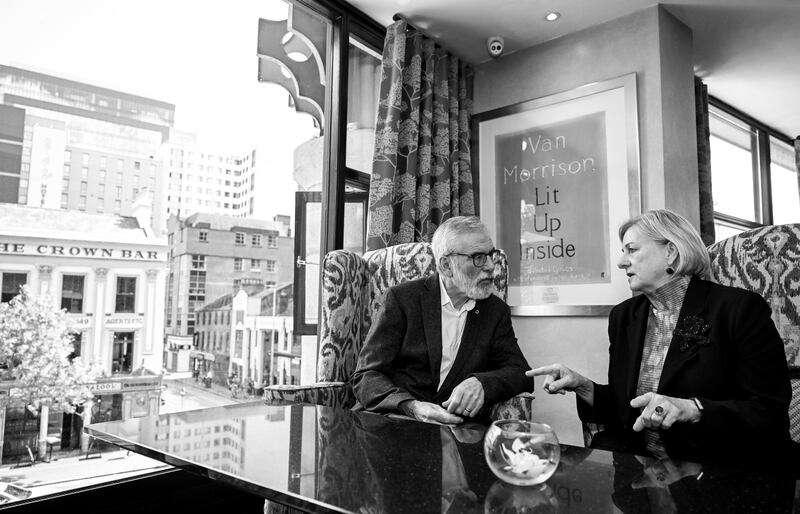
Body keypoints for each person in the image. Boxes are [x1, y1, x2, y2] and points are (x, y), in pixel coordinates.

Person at [528, 209, 791, 467]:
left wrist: (692, 409)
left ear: (671, 253)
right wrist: (584, 386)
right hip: (640, 475)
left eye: (632, 250)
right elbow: (627, 408)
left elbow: (767, 411)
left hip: (719, 470)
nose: (621, 262)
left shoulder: (738, 310)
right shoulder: (624, 316)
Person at [351, 216, 533, 425]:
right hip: (394, 423)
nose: (491, 266)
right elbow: (365, 376)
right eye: (479, 257)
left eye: (491, 255)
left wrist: (482, 383)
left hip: (456, 433)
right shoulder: (402, 300)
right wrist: (411, 406)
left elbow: (521, 373)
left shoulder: (495, 311)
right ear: (446, 265)